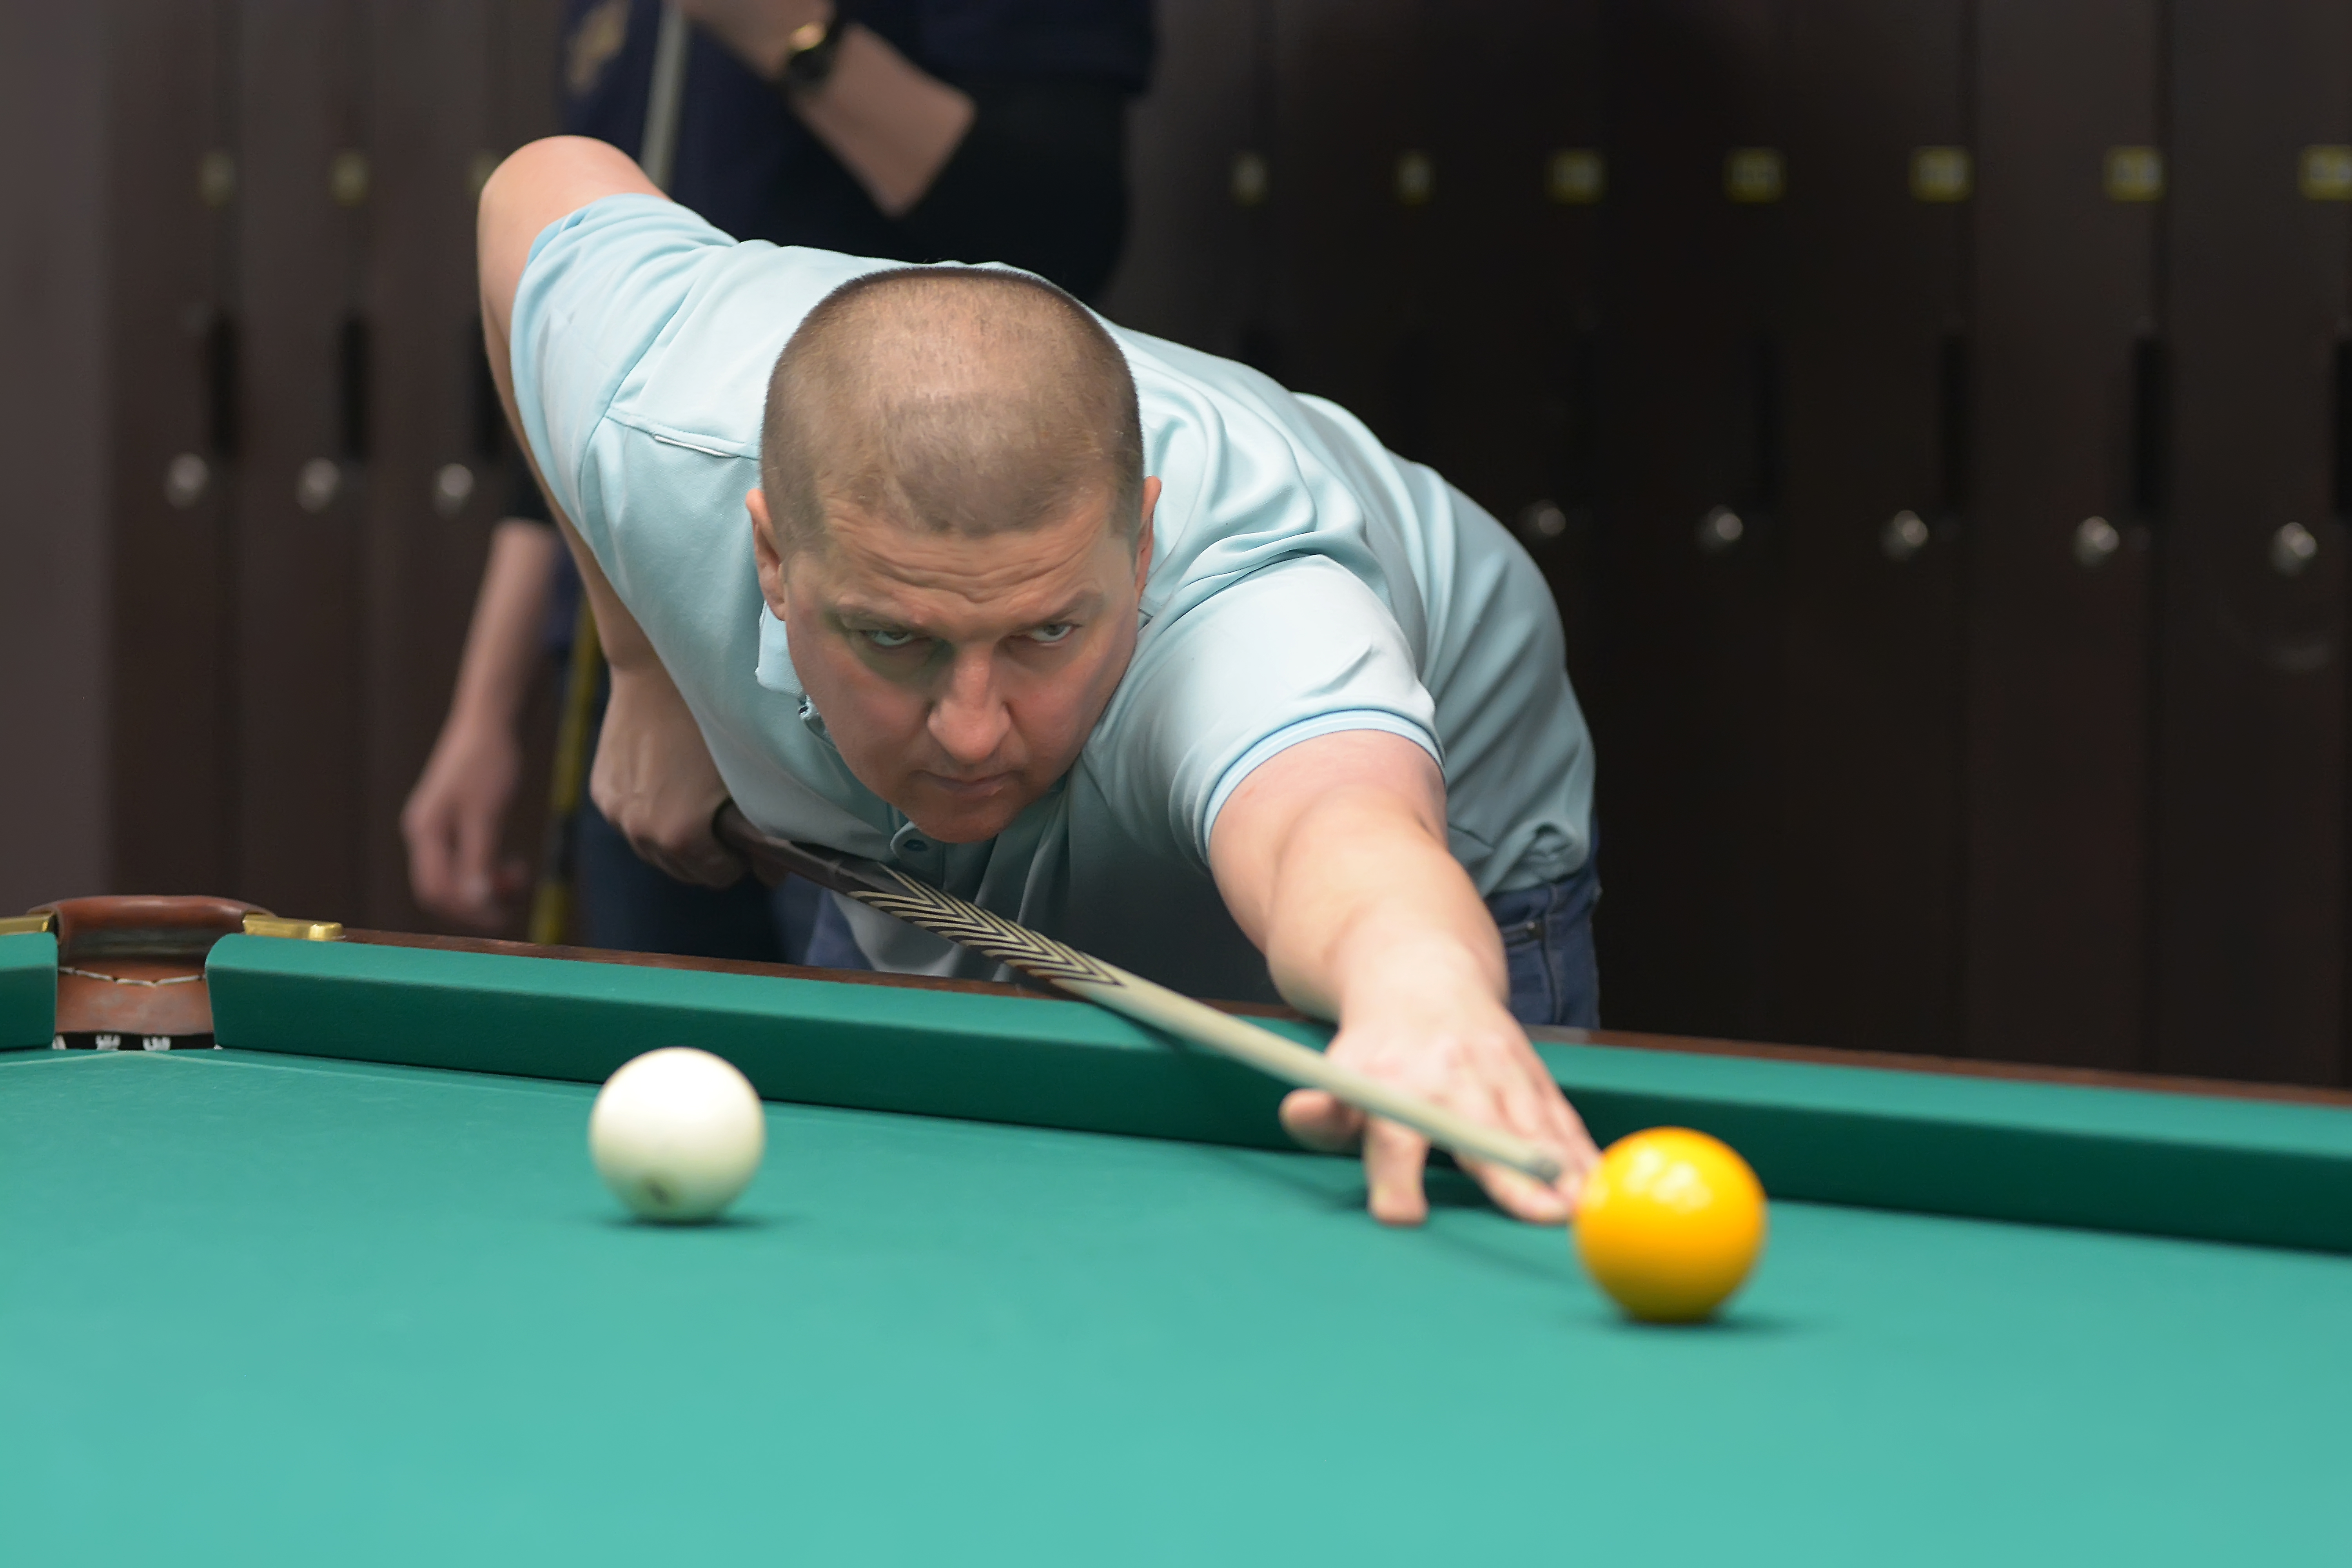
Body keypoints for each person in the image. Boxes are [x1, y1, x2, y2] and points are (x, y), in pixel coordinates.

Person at [479, 134, 1604, 1226]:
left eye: (1046, 632)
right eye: (893, 638)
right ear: (771, 556)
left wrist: (1417, 982)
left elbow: (1342, 837)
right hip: (908, 860)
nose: (972, 732)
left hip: (1426, 850)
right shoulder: (656, 424)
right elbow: (533, 193)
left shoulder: (1250, 615)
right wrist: (644, 669)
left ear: (1141, 548)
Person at [403, 0, 1149, 955]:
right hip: (644, 650)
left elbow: (1058, 238)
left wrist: (794, 37)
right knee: (665, 1035)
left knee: (873, 1045)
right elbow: (565, 339)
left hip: (889, 663)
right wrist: (496, 709)